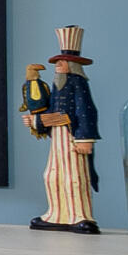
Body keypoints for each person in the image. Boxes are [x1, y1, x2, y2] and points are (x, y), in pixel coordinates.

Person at [21, 25, 100, 232]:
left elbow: (86, 111)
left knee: (74, 177)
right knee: (52, 174)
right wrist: (36, 121)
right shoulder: (57, 85)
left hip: (72, 137)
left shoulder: (78, 84)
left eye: (61, 63)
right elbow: (51, 112)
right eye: (57, 63)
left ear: (71, 65)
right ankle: (57, 213)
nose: (58, 66)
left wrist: (85, 139)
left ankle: (80, 216)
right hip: (58, 138)